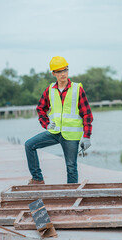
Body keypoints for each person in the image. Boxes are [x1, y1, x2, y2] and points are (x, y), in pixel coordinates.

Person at [25, 56, 93, 184]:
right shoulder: (50, 90)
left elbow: (87, 114)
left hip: (71, 136)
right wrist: (46, 125)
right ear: (53, 73)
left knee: (71, 167)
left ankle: (71, 195)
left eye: (65, 70)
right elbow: (40, 108)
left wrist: (87, 136)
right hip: (54, 132)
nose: (63, 74)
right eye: (59, 71)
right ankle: (37, 179)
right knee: (29, 145)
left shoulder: (77, 89)